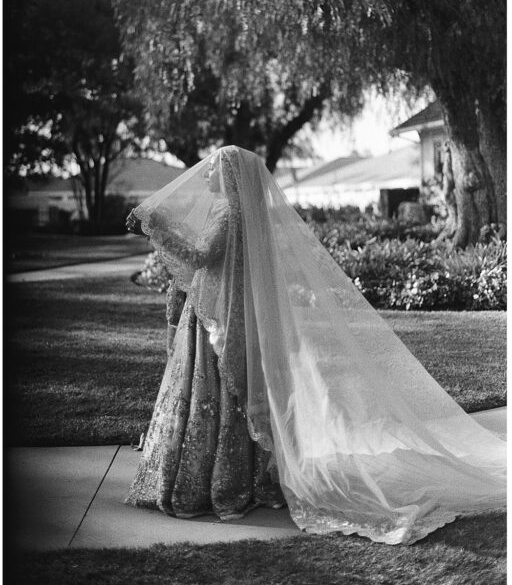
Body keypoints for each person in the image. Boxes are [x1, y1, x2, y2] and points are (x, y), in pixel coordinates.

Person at [125, 145, 504, 544]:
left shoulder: (228, 212)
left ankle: (223, 482)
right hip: (224, 312)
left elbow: (201, 256)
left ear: (232, 176)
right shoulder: (239, 213)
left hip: (221, 315)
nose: (206, 173)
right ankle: (248, 477)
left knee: (221, 389)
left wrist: (158, 227)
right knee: (234, 391)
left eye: (214, 167)